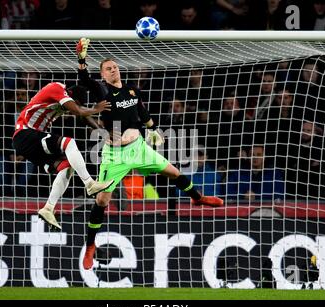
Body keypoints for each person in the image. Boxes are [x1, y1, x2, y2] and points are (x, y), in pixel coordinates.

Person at [75, 38, 224, 270]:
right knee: (102, 199)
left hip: (140, 148)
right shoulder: (102, 91)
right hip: (116, 153)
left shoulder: (132, 90)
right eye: (107, 68)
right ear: (103, 76)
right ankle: (91, 245)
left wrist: (153, 129)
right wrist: (82, 59)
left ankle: (198, 198)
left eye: (114, 66)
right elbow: (84, 79)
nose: (112, 70)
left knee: (174, 172)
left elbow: (142, 111)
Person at [12, 81, 114, 230]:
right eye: (77, 103)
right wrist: (95, 109)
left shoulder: (63, 99)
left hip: (31, 141)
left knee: (67, 166)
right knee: (68, 143)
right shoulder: (56, 88)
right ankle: (90, 184)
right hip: (25, 133)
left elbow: (82, 116)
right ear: (71, 96)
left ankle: (48, 208)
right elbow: (79, 111)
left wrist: (102, 132)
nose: (74, 107)